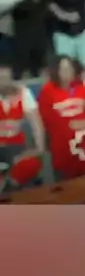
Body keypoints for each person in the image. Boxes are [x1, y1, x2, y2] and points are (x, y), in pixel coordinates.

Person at [38, 56, 85, 178]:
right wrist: (69, 124)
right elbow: (47, 115)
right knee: (64, 139)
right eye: (63, 69)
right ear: (56, 71)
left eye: (69, 69)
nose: (67, 72)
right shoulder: (47, 91)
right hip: (63, 130)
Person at [0, 61, 45, 191]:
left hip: (17, 146)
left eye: (5, 78)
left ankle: (10, 185)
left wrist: (39, 148)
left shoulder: (24, 93)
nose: (3, 82)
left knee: (33, 163)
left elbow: (36, 123)